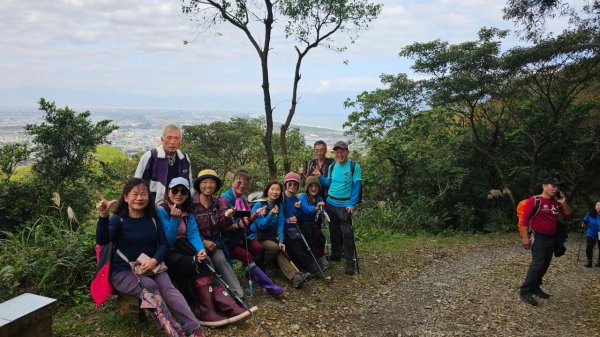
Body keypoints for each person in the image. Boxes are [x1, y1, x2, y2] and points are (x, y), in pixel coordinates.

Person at [95, 178, 205, 337]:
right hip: (124, 271)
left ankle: (194, 329)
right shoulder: (118, 220)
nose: (139, 198)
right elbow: (102, 240)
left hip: (152, 265)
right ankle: (173, 332)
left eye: (143, 194)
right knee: (149, 287)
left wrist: (154, 260)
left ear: (148, 197)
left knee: (169, 290)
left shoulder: (152, 218)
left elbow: (163, 244)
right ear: (125, 197)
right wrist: (103, 216)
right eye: (134, 194)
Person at [157, 177, 252, 327]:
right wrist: (175, 220)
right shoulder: (162, 210)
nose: (179, 194)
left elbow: (193, 235)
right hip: (169, 253)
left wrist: (201, 250)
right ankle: (211, 310)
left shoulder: (188, 211)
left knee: (204, 260)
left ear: (188, 194)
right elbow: (168, 241)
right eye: (175, 190)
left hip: (186, 250)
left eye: (183, 191)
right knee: (201, 264)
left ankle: (226, 305)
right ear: (168, 192)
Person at [220, 169, 286, 297]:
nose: (242, 185)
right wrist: (238, 225)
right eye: (239, 182)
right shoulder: (225, 200)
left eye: (245, 183)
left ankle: (254, 274)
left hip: (241, 236)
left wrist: (256, 214)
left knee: (257, 248)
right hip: (227, 240)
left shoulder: (243, 199)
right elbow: (221, 226)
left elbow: (249, 220)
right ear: (232, 182)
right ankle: (269, 286)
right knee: (246, 255)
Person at [518, 177, 573, 306]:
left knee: (545, 264)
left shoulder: (557, 202)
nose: (555, 188)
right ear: (544, 186)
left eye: (557, 186)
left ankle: (535, 287)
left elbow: (569, 215)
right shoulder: (534, 200)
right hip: (539, 238)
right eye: (552, 185)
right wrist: (525, 237)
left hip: (552, 238)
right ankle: (525, 290)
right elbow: (524, 219)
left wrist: (563, 202)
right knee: (537, 264)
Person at [191, 169, 245, 298]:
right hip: (198, 244)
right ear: (199, 184)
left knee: (221, 260)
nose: (208, 185)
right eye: (205, 182)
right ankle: (222, 296)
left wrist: (227, 216)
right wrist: (203, 242)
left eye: (212, 182)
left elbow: (222, 226)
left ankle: (238, 294)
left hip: (215, 243)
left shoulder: (218, 203)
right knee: (207, 262)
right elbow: (189, 230)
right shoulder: (191, 204)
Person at [251, 180, 310, 288]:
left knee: (280, 249)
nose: (275, 192)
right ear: (267, 191)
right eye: (272, 189)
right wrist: (271, 214)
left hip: (270, 236)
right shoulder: (259, 205)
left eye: (278, 189)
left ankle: (295, 277)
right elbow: (260, 226)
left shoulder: (278, 205)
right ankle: (260, 267)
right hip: (257, 237)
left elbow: (280, 225)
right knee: (274, 247)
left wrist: (281, 241)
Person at [315, 140, 362, 275]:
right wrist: (320, 177)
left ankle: (350, 262)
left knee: (347, 233)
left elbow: (357, 186)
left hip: (345, 205)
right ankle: (336, 254)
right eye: (337, 152)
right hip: (330, 202)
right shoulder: (332, 166)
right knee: (333, 230)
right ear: (334, 153)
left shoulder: (354, 166)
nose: (339, 154)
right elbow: (329, 182)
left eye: (342, 152)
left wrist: (351, 203)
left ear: (347, 152)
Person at [135, 124, 193, 205]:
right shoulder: (151, 157)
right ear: (162, 139)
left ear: (180, 142)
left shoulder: (184, 158)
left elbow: (189, 184)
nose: (172, 142)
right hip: (154, 207)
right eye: (169, 138)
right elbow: (137, 183)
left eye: (176, 138)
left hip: (179, 207)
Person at [281, 172, 321, 276]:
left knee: (303, 243)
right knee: (295, 247)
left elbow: (298, 215)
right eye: (290, 184)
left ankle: (312, 264)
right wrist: (287, 220)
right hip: (282, 229)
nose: (292, 186)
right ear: (285, 184)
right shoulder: (281, 198)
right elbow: (278, 217)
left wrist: (297, 210)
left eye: (295, 184)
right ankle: (310, 268)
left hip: (293, 228)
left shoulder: (296, 199)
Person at [297, 175, 329, 272]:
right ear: (307, 187)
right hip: (302, 224)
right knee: (310, 237)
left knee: (319, 237)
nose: (314, 188)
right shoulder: (303, 197)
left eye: (316, 186)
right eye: (311, 186)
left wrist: (323, 211)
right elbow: (305, 209)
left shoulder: (319, 198)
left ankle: (320, 257)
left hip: (313, 224)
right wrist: (316, 208)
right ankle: (311, 261)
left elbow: (324, 211)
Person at [582, 200, 600, 267]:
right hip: (591, 232)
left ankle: (599, 261)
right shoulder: (590, 213)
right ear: (595, 206)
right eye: (598, 205)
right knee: (589, 247)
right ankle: (589, 261)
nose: (599, 207)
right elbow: (585, 220)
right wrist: (583, 223)